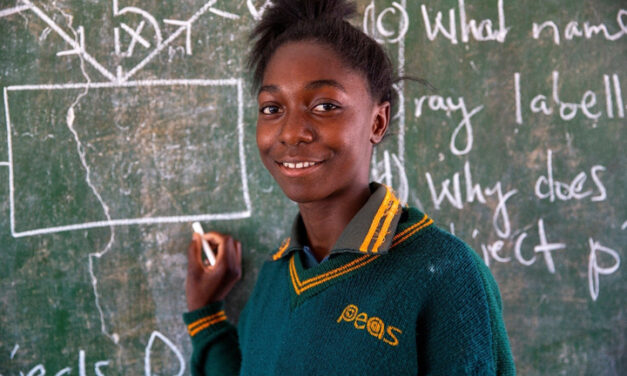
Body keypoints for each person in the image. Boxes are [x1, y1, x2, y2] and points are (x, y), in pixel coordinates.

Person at [183, 0, 516, 374]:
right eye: (272, 108)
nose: (291, 131)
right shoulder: (276, 279)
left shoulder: (443, 273)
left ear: (377, 121)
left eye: (325, 106)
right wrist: (205, 317)